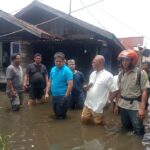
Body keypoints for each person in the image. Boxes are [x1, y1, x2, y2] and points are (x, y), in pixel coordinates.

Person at [114, 49, 148, 136]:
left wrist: (142, 108)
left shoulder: (141, 73)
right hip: (123, 105)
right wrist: (117, 105)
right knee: (125, 126)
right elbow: (119, 91)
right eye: (122, 60)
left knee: (138, 129)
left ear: (133, 61)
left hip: (135, 107)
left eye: (127, 60)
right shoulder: (121, 74)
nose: (124, 62)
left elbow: (145, 91)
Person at [81, 55, 118, 125]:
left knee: (97, 125)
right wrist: (86, 87)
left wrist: (109, 101)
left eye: (94, 62)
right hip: (88, 104)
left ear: (101, 63)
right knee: (84, 121)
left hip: (98, 107)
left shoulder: (108, 76)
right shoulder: (92, 74)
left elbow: (115, 90)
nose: (92, 64)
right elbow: (91, 85)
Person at [45, 52, 73, 119]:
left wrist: (66, 97)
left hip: (63, 96)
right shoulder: (53, 69)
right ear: (54, 61)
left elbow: (70, 85)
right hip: (54, 96)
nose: (58, 63)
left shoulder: (67, 71)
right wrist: (46, 93)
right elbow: (49, 81)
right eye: (56, 61)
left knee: (61, 116)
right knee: (56, 112)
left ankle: (63, 128)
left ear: (64, 61)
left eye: (60, 61)